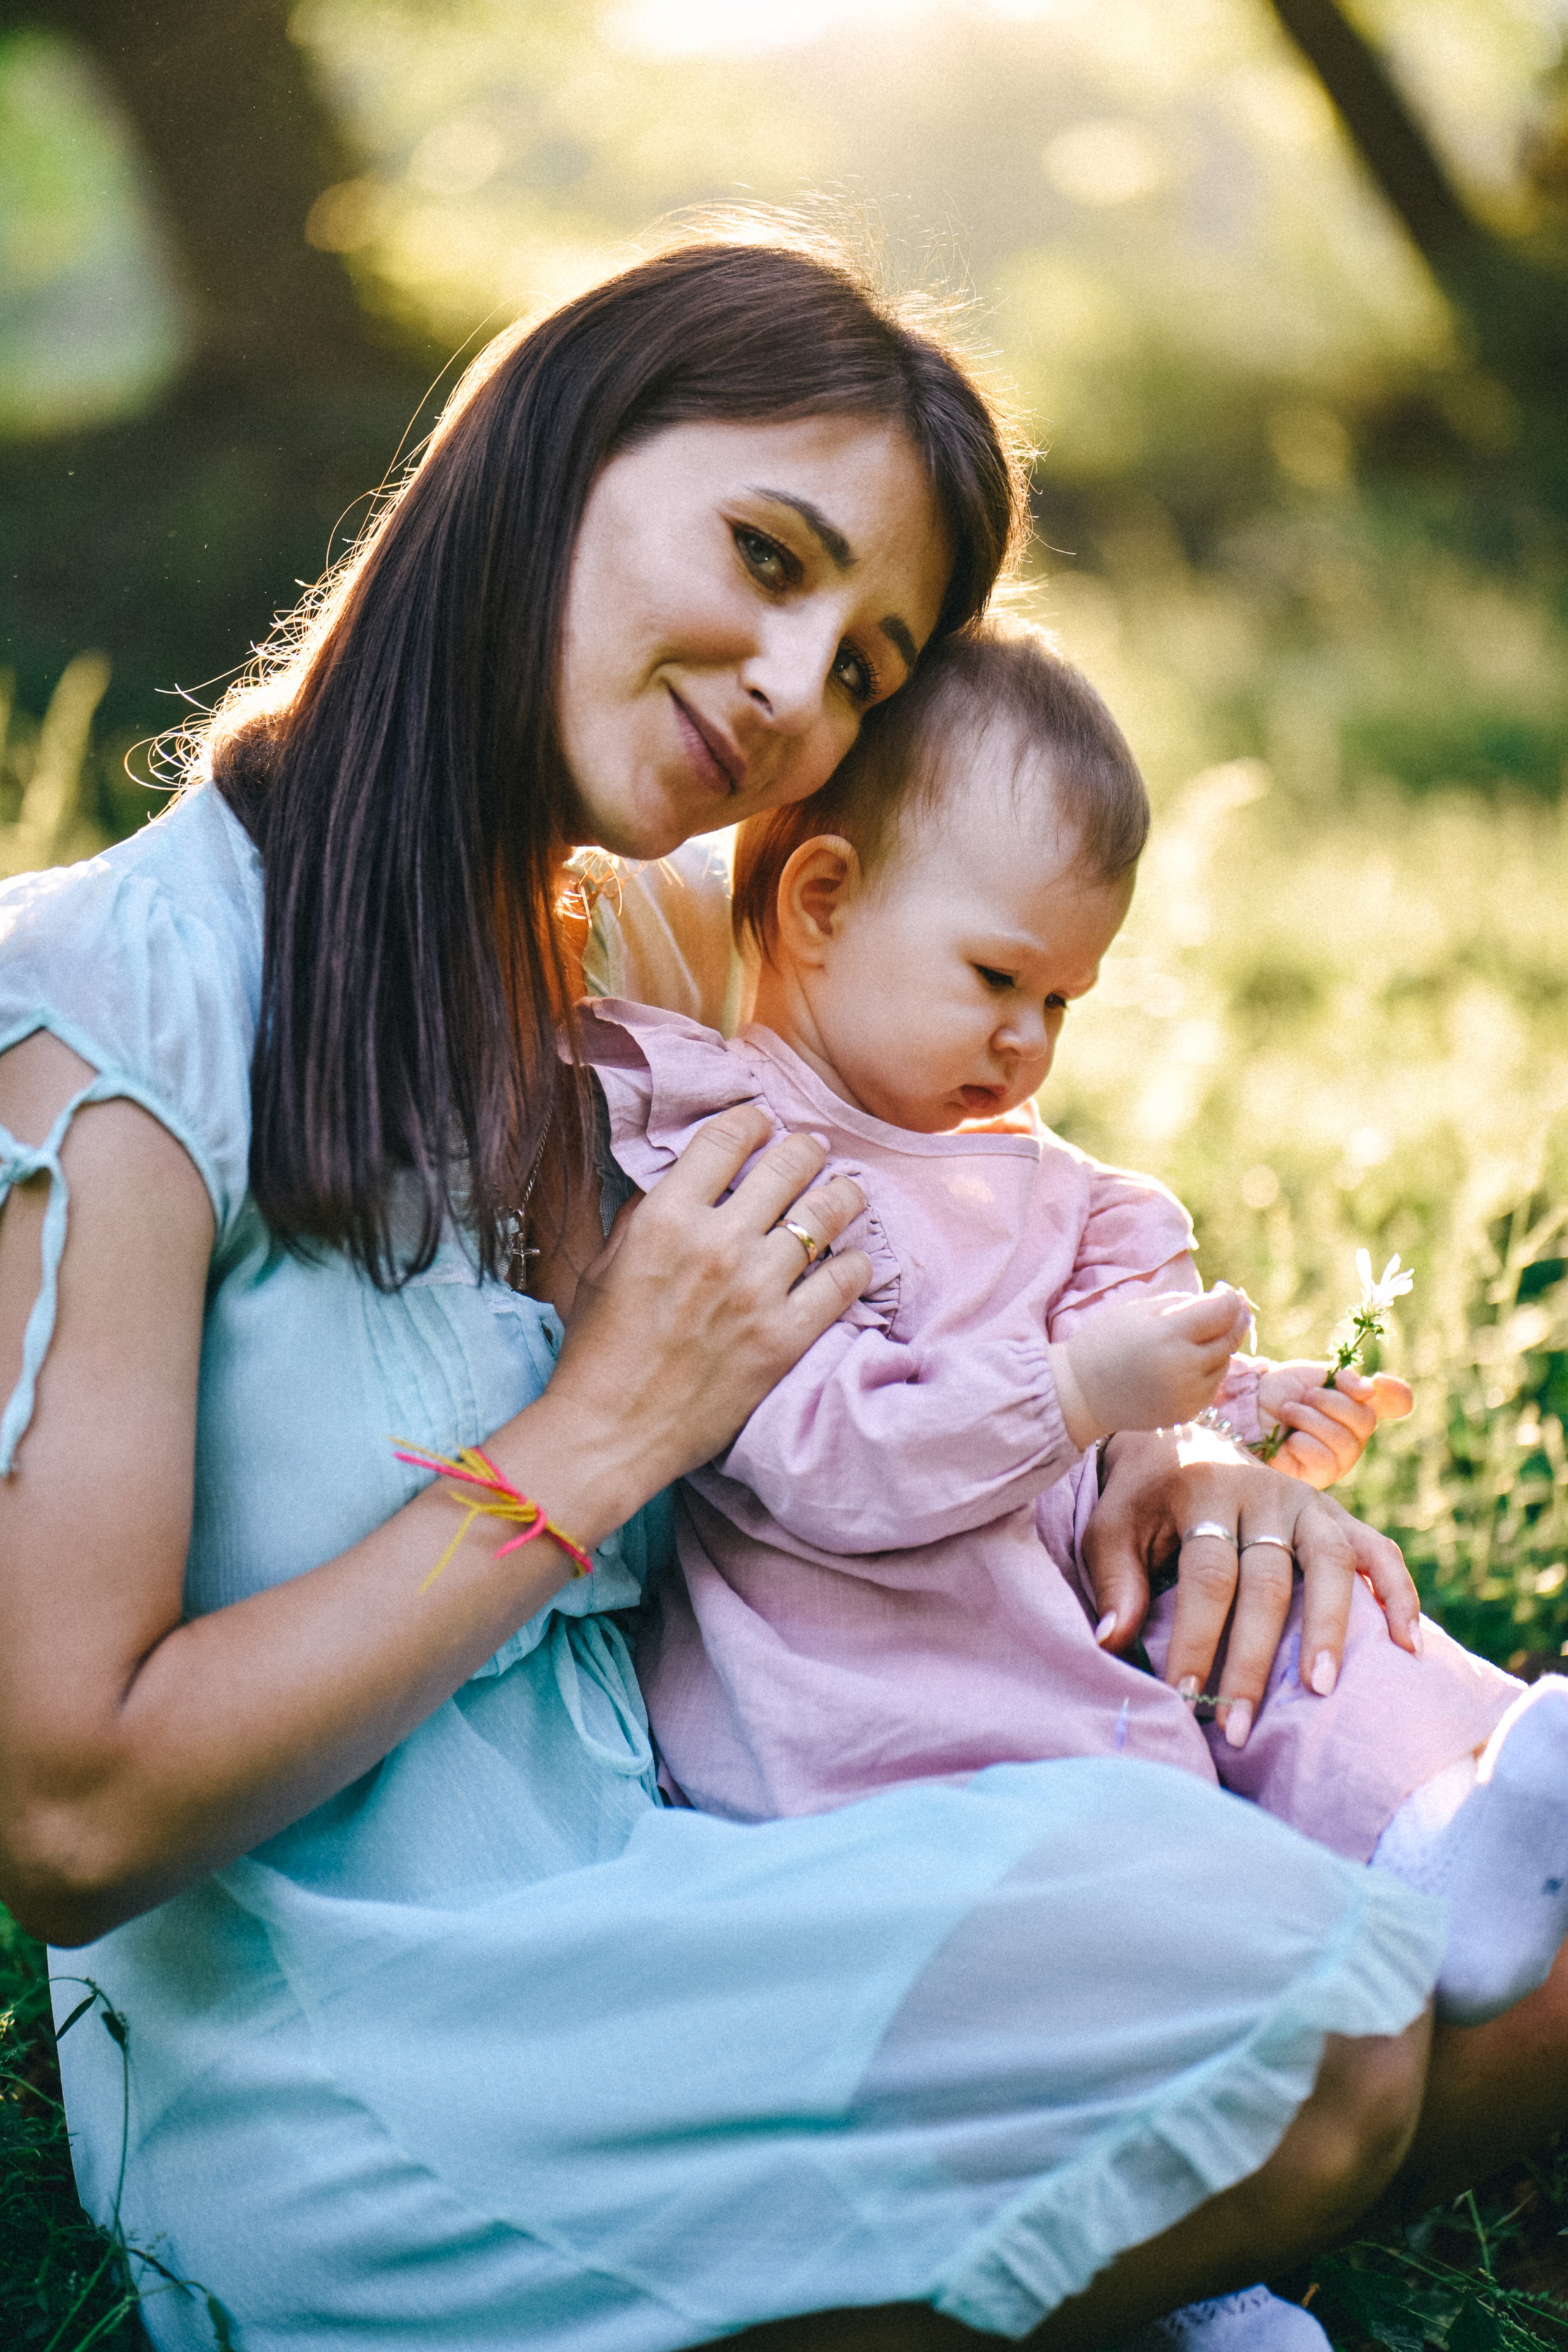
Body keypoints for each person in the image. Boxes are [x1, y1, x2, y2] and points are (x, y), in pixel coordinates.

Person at [0, 229, 1556, 2352]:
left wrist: (1180, 1455)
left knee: (1487, 1934)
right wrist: (601, 1429)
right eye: (766, 553)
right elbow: (71, 1812)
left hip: (733, 1868)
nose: (791, 687)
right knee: (1298, 1990)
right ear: (545, 448)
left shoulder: (643, 953)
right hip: (368, 2036)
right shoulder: (102, 1005)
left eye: (865, 662)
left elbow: (978, 1186)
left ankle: (1135, 2231)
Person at [580, 623, 1564, 2051]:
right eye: (996, 980)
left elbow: (1132, 1403)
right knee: (1092, 1956)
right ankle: (1190, 2248)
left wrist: (1230, 1414)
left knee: (1290, 1613)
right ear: (820, 904)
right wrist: (1073, 1391)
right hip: (875, 1733)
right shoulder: (734, 1157)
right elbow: (820, 1460)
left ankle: (1445, 1839)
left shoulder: (1053, 1189)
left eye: (1061, 1003)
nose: (1028, 1044)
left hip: (1066, 1660)